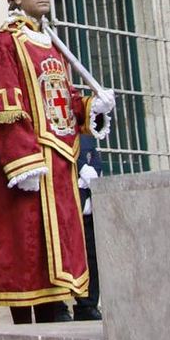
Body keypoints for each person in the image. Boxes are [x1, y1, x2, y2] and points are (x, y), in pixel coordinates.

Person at [0, 0, 105, 320]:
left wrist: (93, 107)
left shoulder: (50, 44)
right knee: (28, 252)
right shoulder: (4, 43)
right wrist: (22, 161)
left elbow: (60, 102)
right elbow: (4, 107)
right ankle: (41, 312)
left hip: (61, 163)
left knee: (58, 252)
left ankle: (57, 305)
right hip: (32, 168)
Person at [72, 127, 103, 320]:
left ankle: (88, 304)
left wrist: (93, 172)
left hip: (89, 204)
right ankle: (59, 306)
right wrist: (81, 167)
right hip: (69, 206)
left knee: (92, 256)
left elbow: (95, 156)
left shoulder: (86, 133)